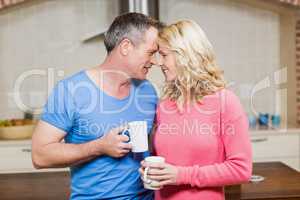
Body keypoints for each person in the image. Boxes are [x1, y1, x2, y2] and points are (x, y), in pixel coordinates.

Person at [32, 12, 162, 200]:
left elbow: (153, 146)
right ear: (125, 47)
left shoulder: (147, 90)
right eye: (150, 53)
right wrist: (99, 147)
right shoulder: (71, 91)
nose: (155, 61)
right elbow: (40, 155)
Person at [139, 20, 252, 200]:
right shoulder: (165, 105)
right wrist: (150, 168)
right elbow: (163, 157)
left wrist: (181, 175)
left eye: (164, 55)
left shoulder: (225, 102)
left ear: (185, 56)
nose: (160, 63)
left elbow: (241, 169)